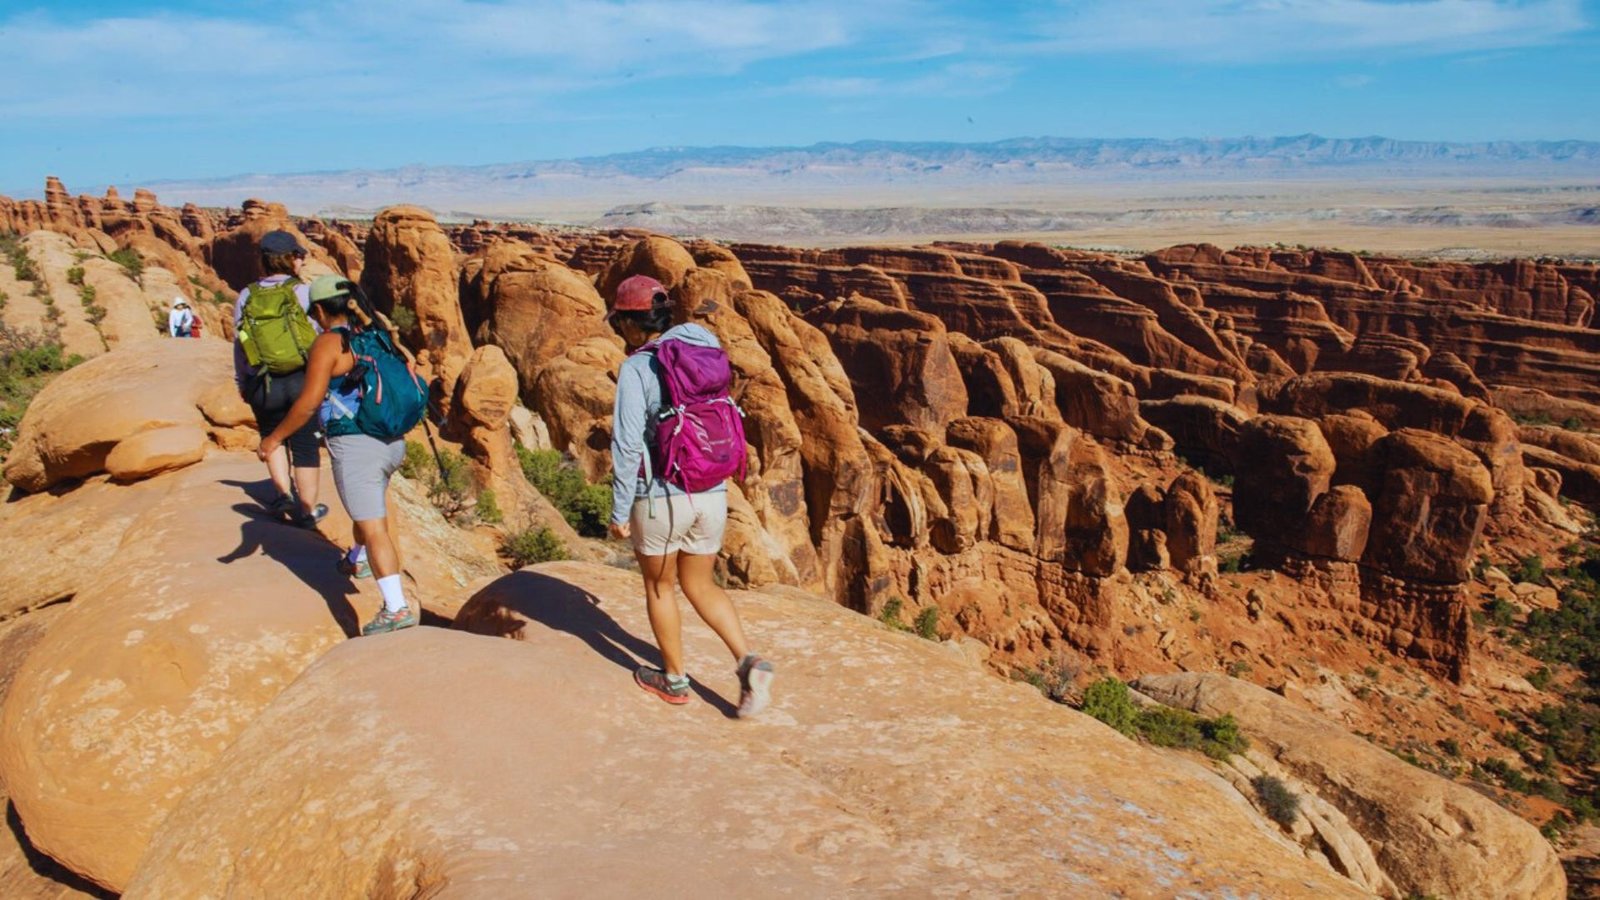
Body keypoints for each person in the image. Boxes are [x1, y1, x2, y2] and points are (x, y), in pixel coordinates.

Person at [607, 274, 774, 716]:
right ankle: (747, 661)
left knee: (660, 588)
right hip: (710, 492)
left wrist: (620, 510)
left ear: (630, 321)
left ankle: (675, 679)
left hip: (660, 497)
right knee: (701, 583)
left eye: (619, 321)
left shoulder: (637, 367)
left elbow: (626, 445)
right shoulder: (701, 350)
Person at [258, 275, 417, 636]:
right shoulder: (375, 334)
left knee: (374, 525)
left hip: (358, 444)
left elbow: (309, 402)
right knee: (370, 507)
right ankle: (356, 560)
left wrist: (274, 439)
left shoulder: (329, 343)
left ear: (317, 309)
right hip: (392, 441)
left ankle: (396, 608)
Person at [234, 230, 326, 528]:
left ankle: (283, 495)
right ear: (290, 259)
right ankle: (308, 511)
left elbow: (241, 342)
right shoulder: (303, 292)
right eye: (298, 256)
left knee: (271, 436)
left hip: (263, 381)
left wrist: (243, 382)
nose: (301, 261)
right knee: (305, 447)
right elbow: (320, 337)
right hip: (302, 380)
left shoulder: (246, 295)